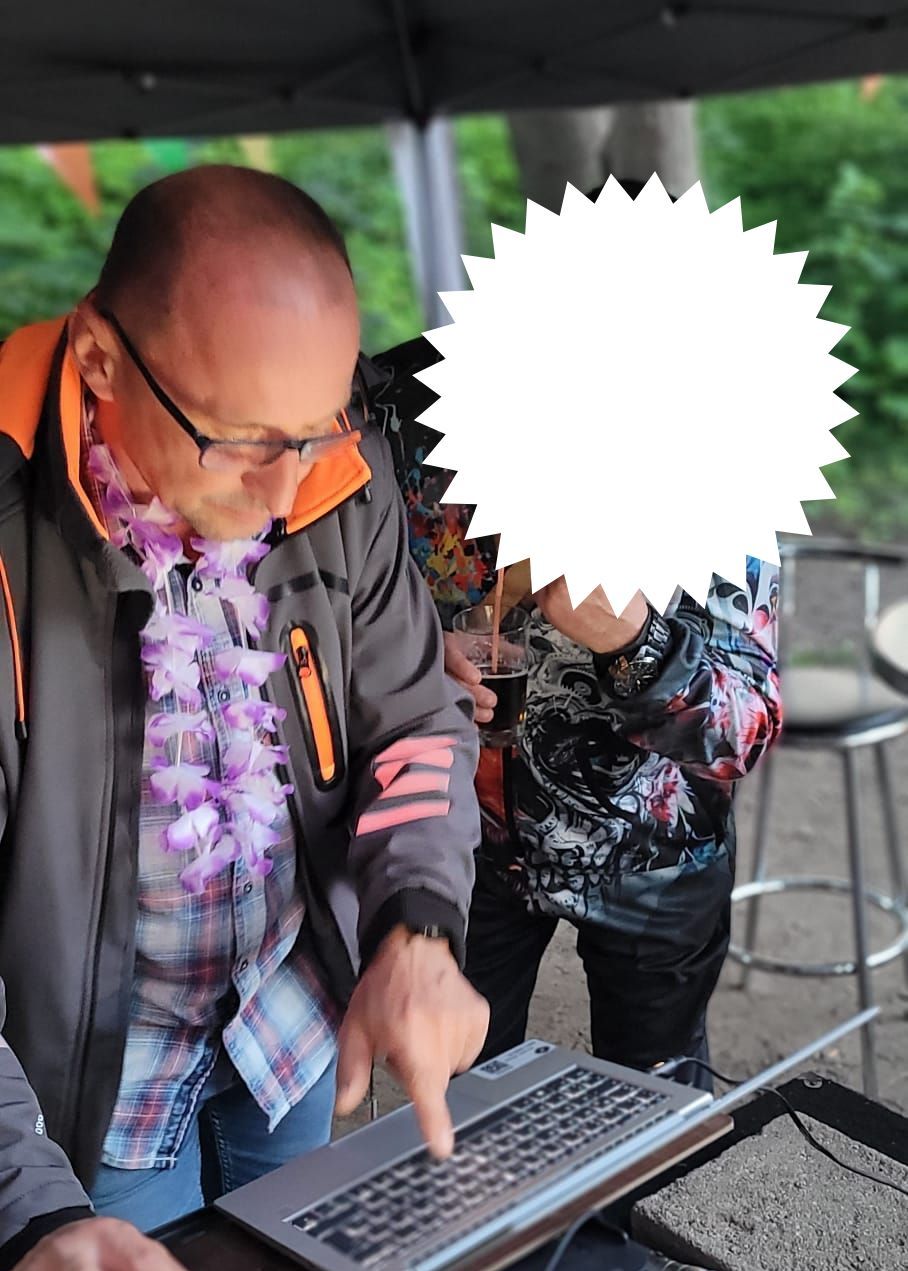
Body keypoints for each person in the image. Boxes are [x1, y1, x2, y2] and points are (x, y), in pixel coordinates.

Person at [0, 164, 489, 1266]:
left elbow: (415, 720)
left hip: (292, 1031)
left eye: (312, 431)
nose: (284, 496)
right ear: (100, 360)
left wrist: (416, 925)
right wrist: (29, 1205)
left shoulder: (330, 475)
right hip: (91, 1097)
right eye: (240, 439)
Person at [371, 277, 783, 1089]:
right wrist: (416, 653)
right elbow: (337, 596)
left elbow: (747, 727)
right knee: (462, 1108)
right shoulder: (408, 408)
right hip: (467, 838)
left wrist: (635, 642)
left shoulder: (721, 455)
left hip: (656, 855)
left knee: (656, 1121)